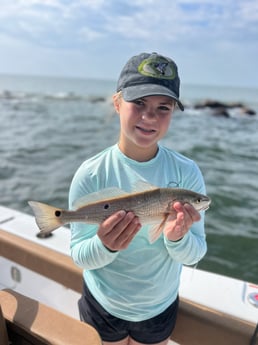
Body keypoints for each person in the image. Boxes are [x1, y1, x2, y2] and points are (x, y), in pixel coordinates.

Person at [69, 52, 207, 345]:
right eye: (139, 103)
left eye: (163, 107)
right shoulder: (90, 174)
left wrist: (178, 237)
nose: (149, 117)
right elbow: (80, 254)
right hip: (102, 305)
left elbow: (195, 253)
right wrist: (105, 245)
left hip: (158, 307)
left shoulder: (187, 173)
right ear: (117, 103)